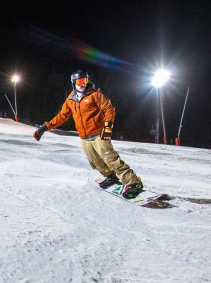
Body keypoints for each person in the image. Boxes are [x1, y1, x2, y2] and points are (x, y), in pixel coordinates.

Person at [33, 70, 144, 199]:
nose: (82, 84)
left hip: (99, 134)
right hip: (84, 137)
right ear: (73, 83)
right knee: (94, 161)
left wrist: (107, 128)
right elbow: (61, 116)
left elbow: (109, 109)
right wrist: (44, 128)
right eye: (79, 82)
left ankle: (134, 183)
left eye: (84, 81)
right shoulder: (70, 99)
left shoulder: (95, 94)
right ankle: (110, 176)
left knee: (111, 159)